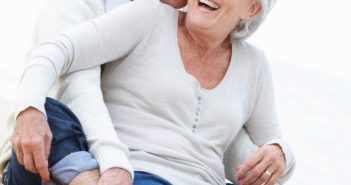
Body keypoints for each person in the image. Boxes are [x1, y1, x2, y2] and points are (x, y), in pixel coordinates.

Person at [0, 0, 296, 184]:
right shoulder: (147, 16)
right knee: (51, 111)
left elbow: (262, 143)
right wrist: (113, 164)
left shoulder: (254, 64)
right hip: (126, 167)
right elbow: (76, 88)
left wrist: (279, 153)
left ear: (252, 9)